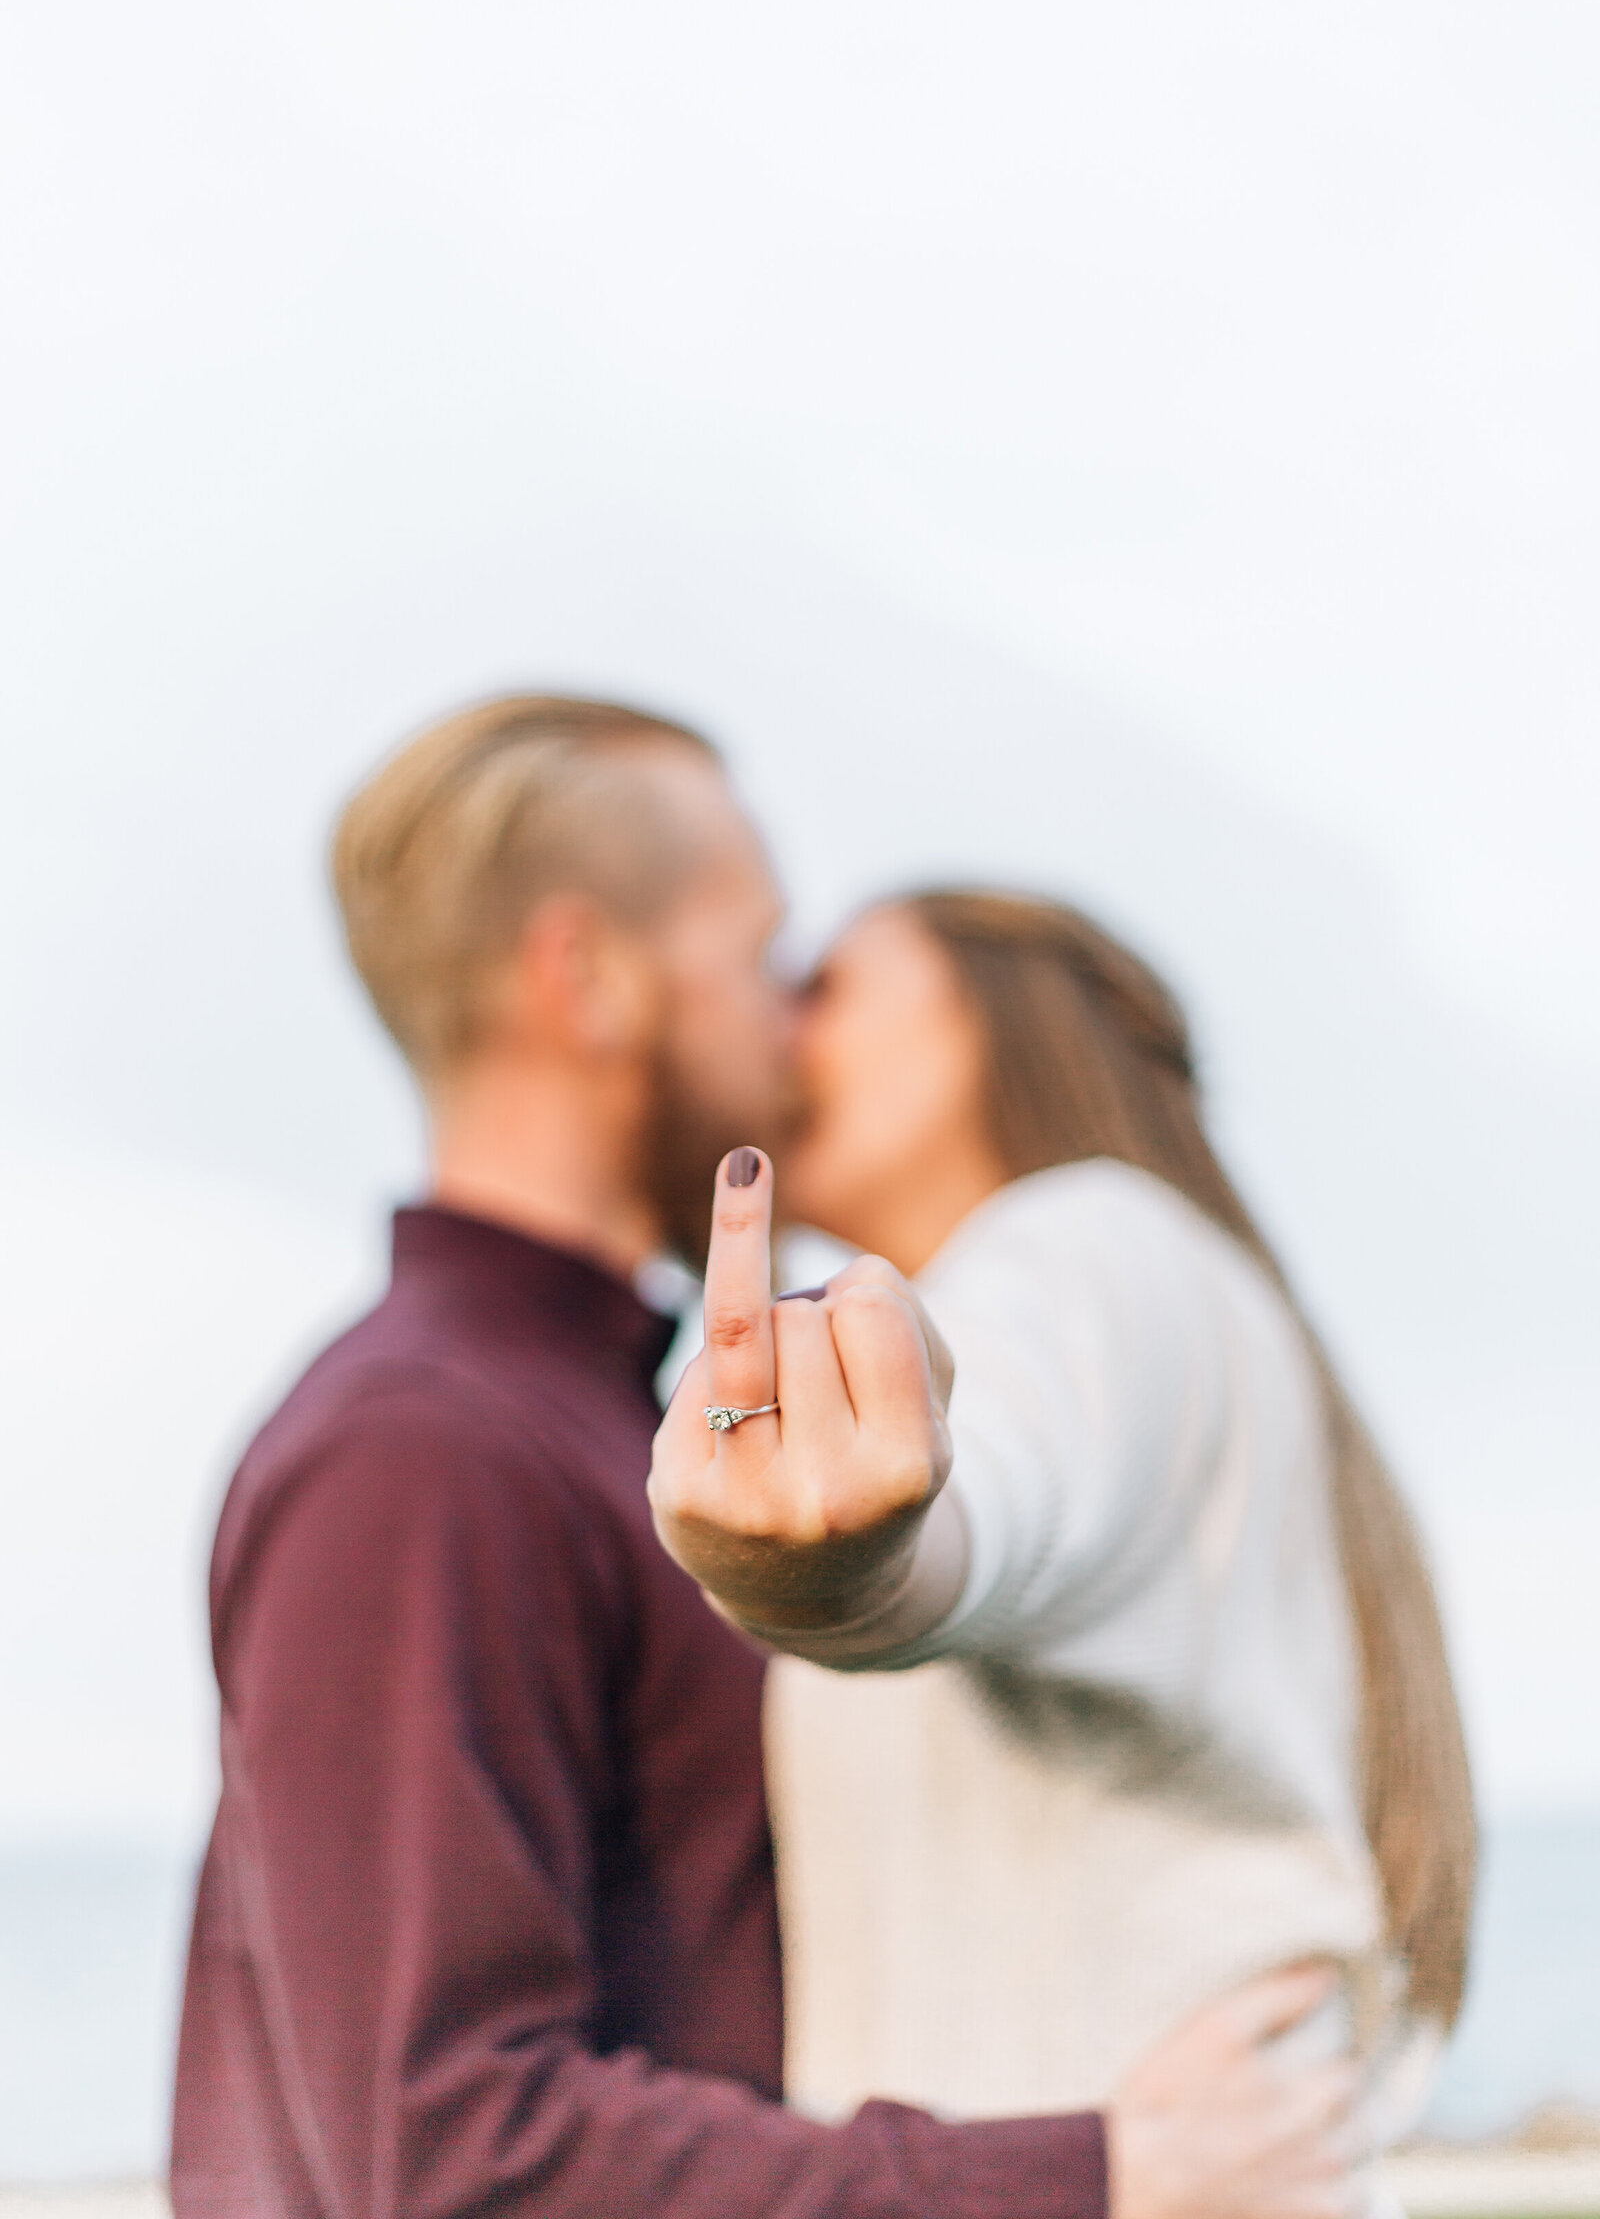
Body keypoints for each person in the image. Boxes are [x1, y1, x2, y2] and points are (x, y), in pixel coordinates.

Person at [173, 696, 1364, 2219]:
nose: (789, 1034)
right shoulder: (420, 1452)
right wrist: (1085, 2174)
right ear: (588, 980)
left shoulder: (601, 1426)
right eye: (761, 961)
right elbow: (448, 2154)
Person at [650, 891, 1475, 2180]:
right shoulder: (1160, 1284)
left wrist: (838, 1570)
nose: (778, 1025)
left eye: (827, 986)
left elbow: (1004, 1488)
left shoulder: (1089, 1245)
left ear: (1003, 1019)